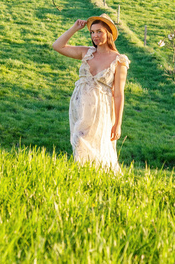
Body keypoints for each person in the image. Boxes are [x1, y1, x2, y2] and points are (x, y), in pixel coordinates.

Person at [52, 13, 129, 171]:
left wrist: (118, 124)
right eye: (92, 32)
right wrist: (74, 28)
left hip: (102, 108)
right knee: (79, 140)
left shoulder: (119, 60)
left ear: (108, 33)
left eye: (99, 31)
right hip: (80, 104)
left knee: (98, 143)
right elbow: (58, 46)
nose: (95, 36)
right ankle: (82, 174)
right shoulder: (86, 52)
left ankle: (101, 176)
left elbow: (119, 94)